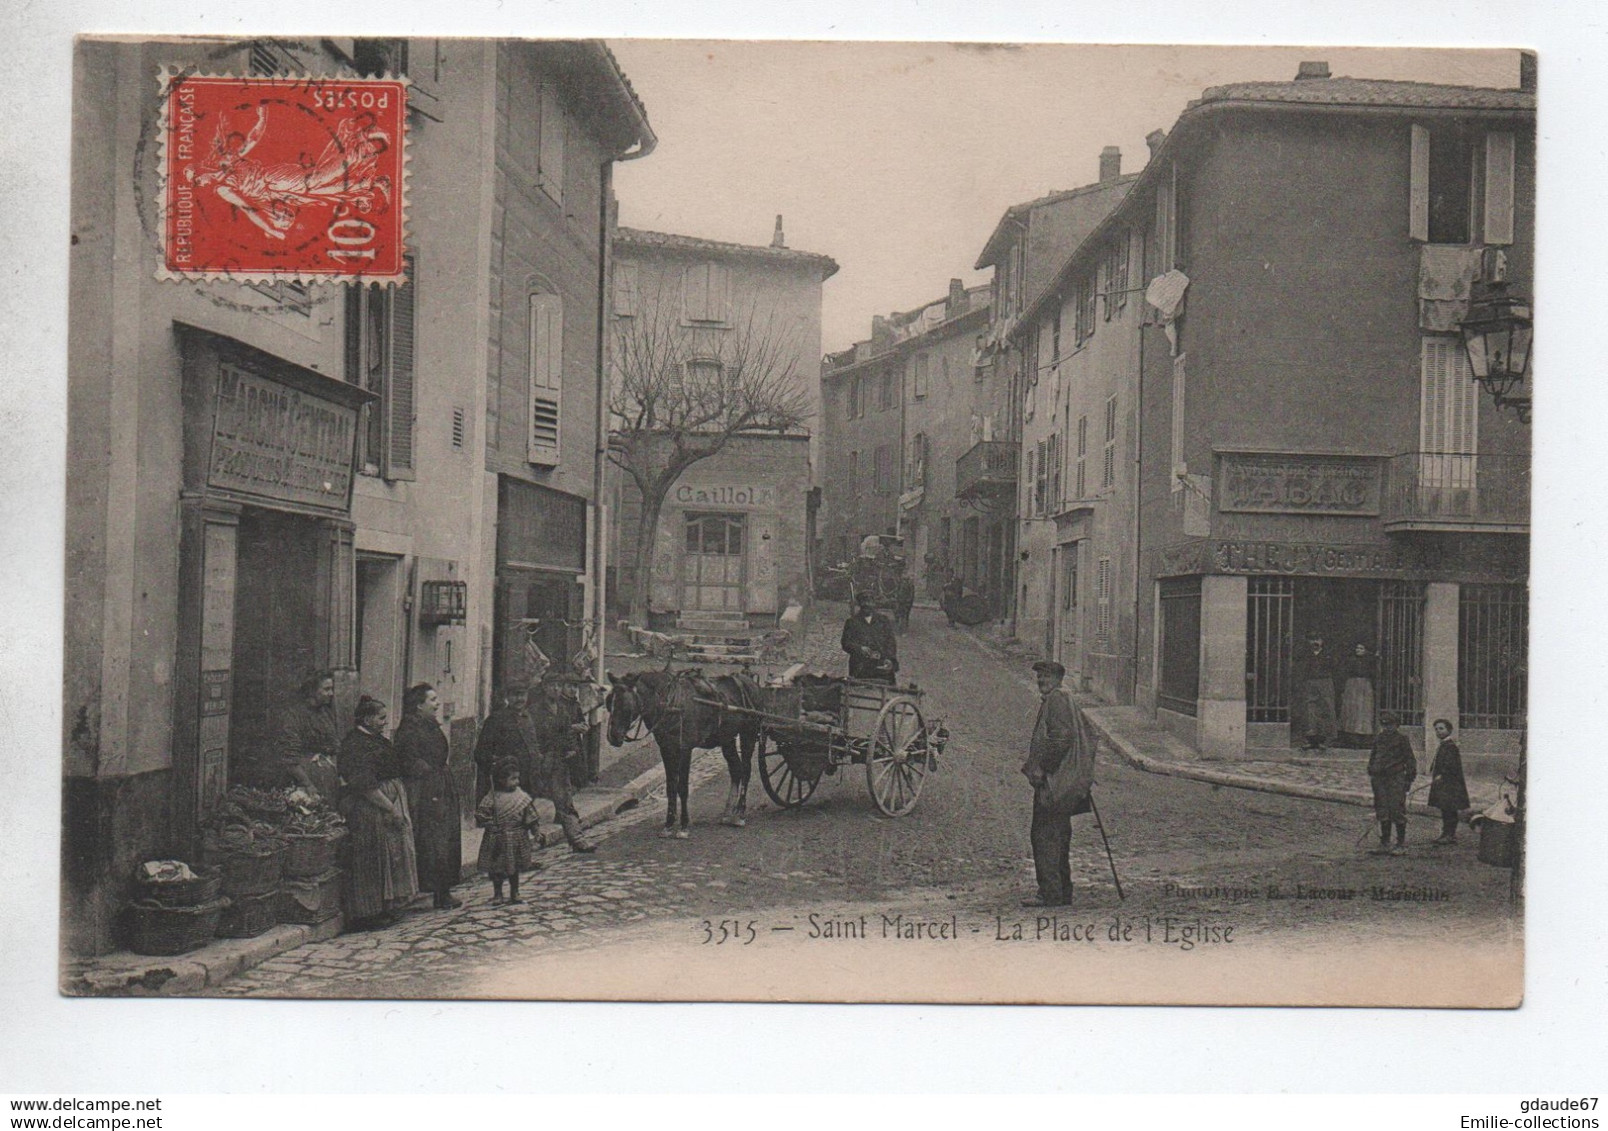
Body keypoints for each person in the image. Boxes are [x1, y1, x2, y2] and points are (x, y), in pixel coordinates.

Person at [472, 682, 597, 854]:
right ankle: (517, 857)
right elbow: (481, 753)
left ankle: (576, 839)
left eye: (522, 695)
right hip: (512, 779)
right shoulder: (496, 719)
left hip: (534, 772)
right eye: (515, 695)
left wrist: (546, 757)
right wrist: (501, 770)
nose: (519, 699)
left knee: (561, 801)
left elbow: (540, 741)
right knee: (514, 819)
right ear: (507, 697)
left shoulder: (528, 717)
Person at [337, 695, 419, 928]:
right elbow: (364, 785)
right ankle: (367, 914)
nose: (385, 722)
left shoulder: (376, 739)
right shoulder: (356, 745)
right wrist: (390, 807)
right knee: (370, 859)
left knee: (388, 856)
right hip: (370, 808)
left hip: (384, 804)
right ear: (367, 719)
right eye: (381, 718)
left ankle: (384, 907)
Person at [1019, 660, 1096, 907]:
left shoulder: (1056, 700)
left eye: (1046, 676)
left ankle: (1050, 893)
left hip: (1054, 783)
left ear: (1057, 678)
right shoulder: (1064, 698)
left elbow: (1061, 738)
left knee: (1044, 835)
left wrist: (1044, 768)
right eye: (1039, 676)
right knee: (1058, 835)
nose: (1041, 680)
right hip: (1063, 781)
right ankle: (1062, 891)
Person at [395, 682, 463, 910]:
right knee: (435, 842)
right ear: (418, 705)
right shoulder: (411, 730)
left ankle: (442, 890)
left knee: (444, 839)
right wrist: (427, 773)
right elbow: (409, 761)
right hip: (427, 793)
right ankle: (439, 892)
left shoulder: (429, 725)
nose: (437, 704)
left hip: (439, 787)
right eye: (432, 700)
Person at [476, 759, 540, 905]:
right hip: (497, 838)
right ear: (501, 780)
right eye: (512, 779)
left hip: (516, 836)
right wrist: (490, 823)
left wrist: (535, 831)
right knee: (496, 869)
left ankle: (515, 892)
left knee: (514, 867)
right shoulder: (492, 797)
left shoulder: (521, 797)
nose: (517, 782)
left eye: (518, 778)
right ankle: (497, 894)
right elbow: (481, 815)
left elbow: (530, 815)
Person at [273, 670, 341, 802]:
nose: (331, 694)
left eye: (332, 689)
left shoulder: (325, 713)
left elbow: (334, 745)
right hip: (304, 778)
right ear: (311, 691)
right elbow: (289, 759)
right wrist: (308, 785)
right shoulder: (293, 716)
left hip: (326, 776)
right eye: (326, 689)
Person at [1366, 711, 1417, 856]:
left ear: (1397, 725)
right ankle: (1385, 842)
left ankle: (1400, 843)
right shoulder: (1379, 739)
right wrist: (1371, 769)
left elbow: (1410, 760)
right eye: (1384, 724)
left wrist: (1408, 780)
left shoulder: (1402, 739)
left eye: (1391, 724)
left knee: (1396, 809)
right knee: (1382, 809)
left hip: (1395, 779)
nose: (1387, 727)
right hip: (1379, 779)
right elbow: (1373, 756)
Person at [1427, 717, 1470, 846]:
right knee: (1445, 808)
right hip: (1444, 783)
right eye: (1436, 729)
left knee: (1450, 809)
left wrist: (1442, 775)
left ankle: (1449, 835)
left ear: (1449, 730)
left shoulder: (1450, 746)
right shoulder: (1444, 745)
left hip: (1450, 783)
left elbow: (1451, 765)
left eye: (1441, 728)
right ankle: (1446, 833)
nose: (1438, 731)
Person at [841, 591, 899, 683]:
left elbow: (891, 642)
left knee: (885, 693)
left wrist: (889, 658)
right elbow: (845, 643)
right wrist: (860, 649)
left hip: (882, 665)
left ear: (874, 606)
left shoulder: (883, 621)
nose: (867, 609)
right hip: (860, 667)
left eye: (870, 606)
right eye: (864, 606)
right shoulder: (852, 622)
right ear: (860, 606)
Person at [1293, 634, 1337, 752]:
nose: (1315, 642)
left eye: (1318, 640)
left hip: (1325, 682)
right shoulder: (1306, 655)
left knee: (1327, 708)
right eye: (1312, 640)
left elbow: (1335, 668)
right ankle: (1310, 739)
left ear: (1322, 641)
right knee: (1310, 709)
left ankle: (1327, 740)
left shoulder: (1329, 655)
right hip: (1310, 682)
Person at [1337, 642, 1377, 748]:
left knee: (1363, 710)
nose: (1358, 650)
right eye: (1357, 648)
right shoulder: (1351, 661)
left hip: (1365, 686)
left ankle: (1363, 737)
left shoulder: (1369, 662)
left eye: (1361, 648)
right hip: (1352, 686)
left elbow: (1373, 673)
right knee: (1352, 710)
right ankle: (1351, 736)